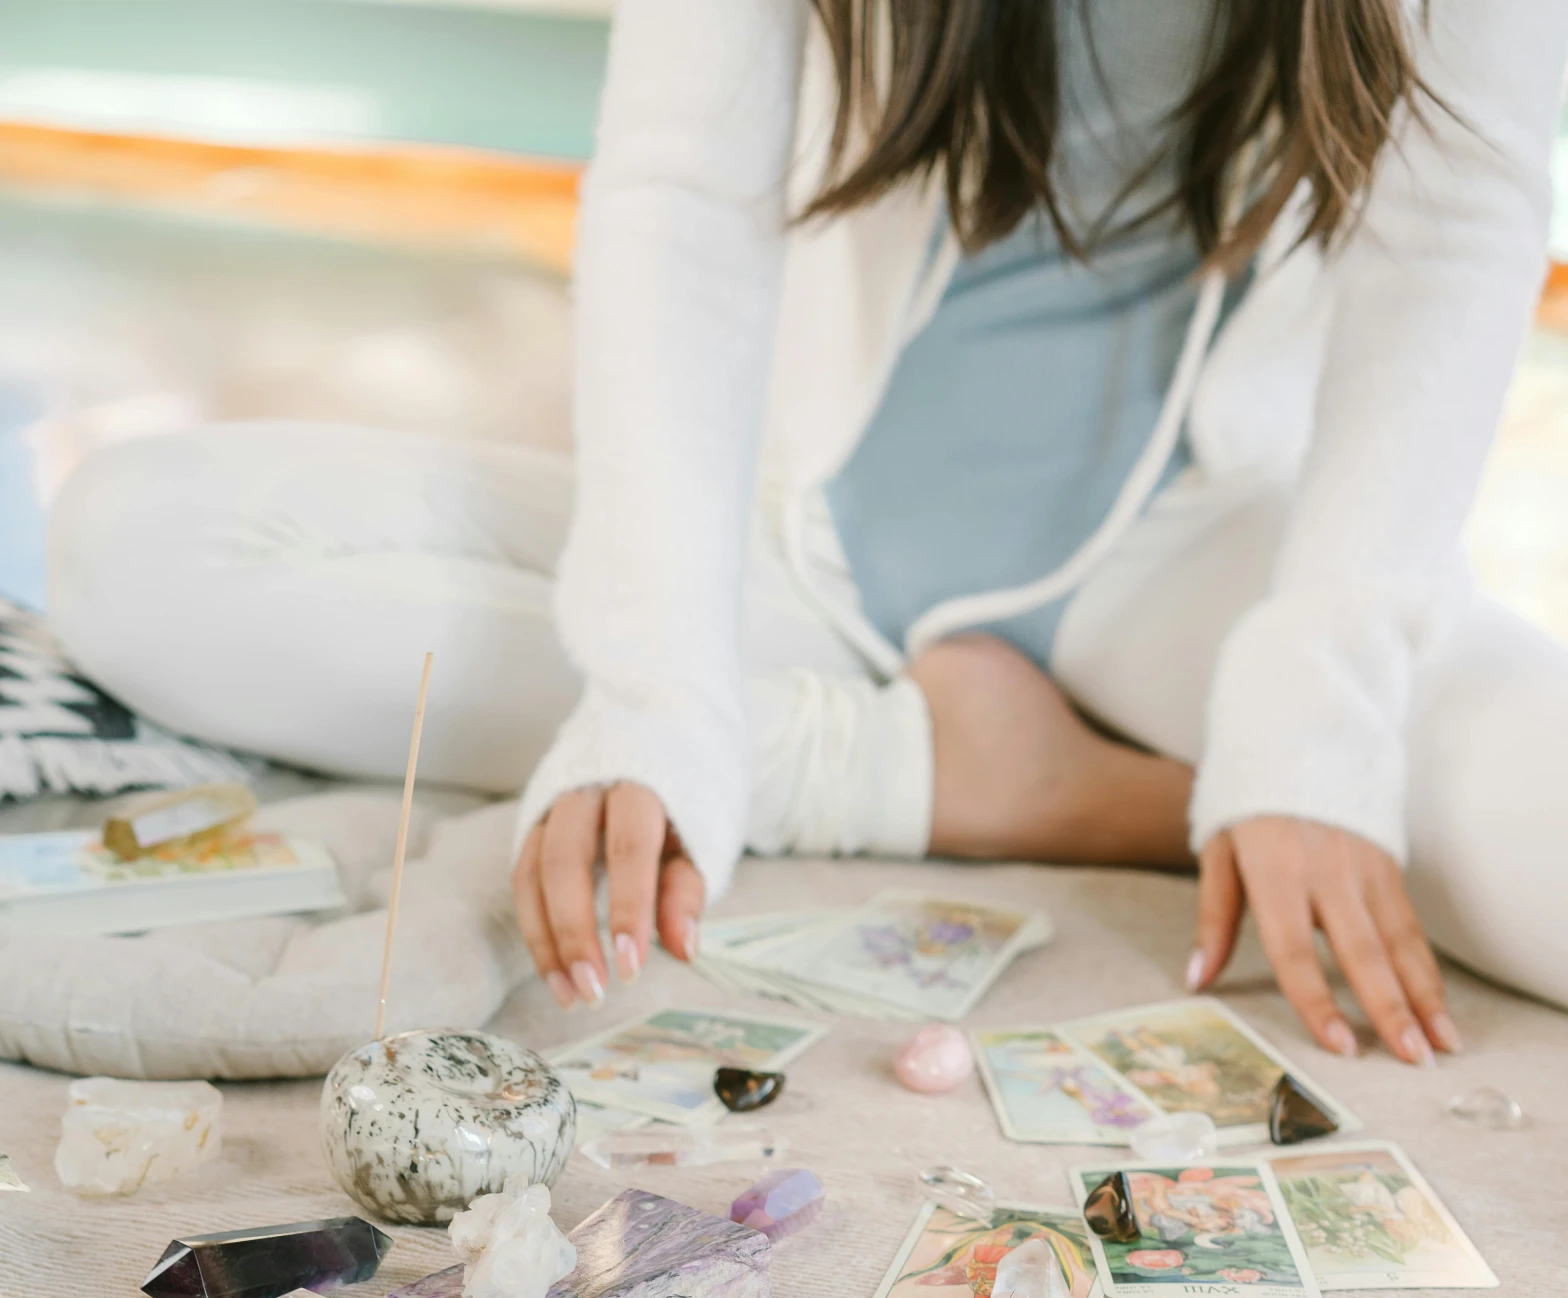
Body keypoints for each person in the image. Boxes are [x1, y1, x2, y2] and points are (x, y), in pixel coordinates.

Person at [48, 0, 1568, 1061]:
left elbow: (1462, 218)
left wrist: (1315, 726)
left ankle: (1174, 772)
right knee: (138, 545)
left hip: (1209, 563)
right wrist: (655, 694)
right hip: (806, 542)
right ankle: (975, 778)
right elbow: (681, 196)